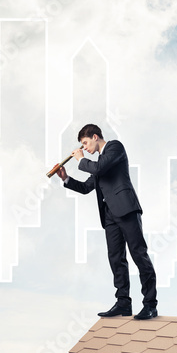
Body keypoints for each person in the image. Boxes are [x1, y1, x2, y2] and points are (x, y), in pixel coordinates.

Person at [56, 124, 158, 320]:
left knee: (139, 254)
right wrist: (66, 178)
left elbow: (99, 168)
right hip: (109, 215)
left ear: (95, 137)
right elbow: (87, 187)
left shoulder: (114, 148)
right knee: (116, 259)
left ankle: (150, 305)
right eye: (82, 146)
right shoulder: (98, 163)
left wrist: (80, 159)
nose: (84, 147)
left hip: (126, 209)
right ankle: (123, 303)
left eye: (85, 143)